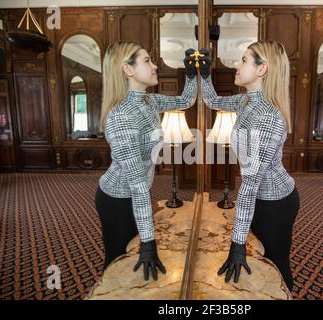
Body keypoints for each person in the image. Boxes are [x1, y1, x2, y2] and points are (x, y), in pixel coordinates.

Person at [198, 41, 300, 291]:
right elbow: (212, 100)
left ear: (262, 68)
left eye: (244, 60)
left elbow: (251, 185)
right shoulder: (247, 101)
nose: (237, 65)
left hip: (275, 202)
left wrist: (237, 242)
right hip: (260, 197)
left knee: (276, 265)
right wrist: (204, 72)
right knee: (260, 261)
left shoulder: (267, 117)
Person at [95, 41, 197, 281]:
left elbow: (185, 101)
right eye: (147, 61)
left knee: (133, 262)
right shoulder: (120, 117)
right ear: (128, 70)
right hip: (117, 200)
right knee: (117, 261)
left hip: (139, 193)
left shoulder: (148, 101)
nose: (154, 67)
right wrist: (149, 243)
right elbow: (137, 185)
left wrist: (192, 76)